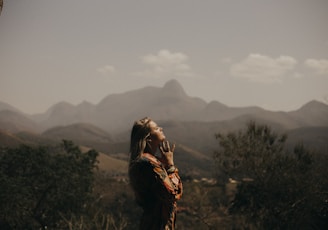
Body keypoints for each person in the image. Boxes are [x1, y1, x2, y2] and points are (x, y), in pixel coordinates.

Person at [128, 117, 183, 230]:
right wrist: (170, 166)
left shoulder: (147, 161)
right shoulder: (148, 164)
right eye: (157, 128)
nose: (161, 128)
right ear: (148, 138)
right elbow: (172, 194)